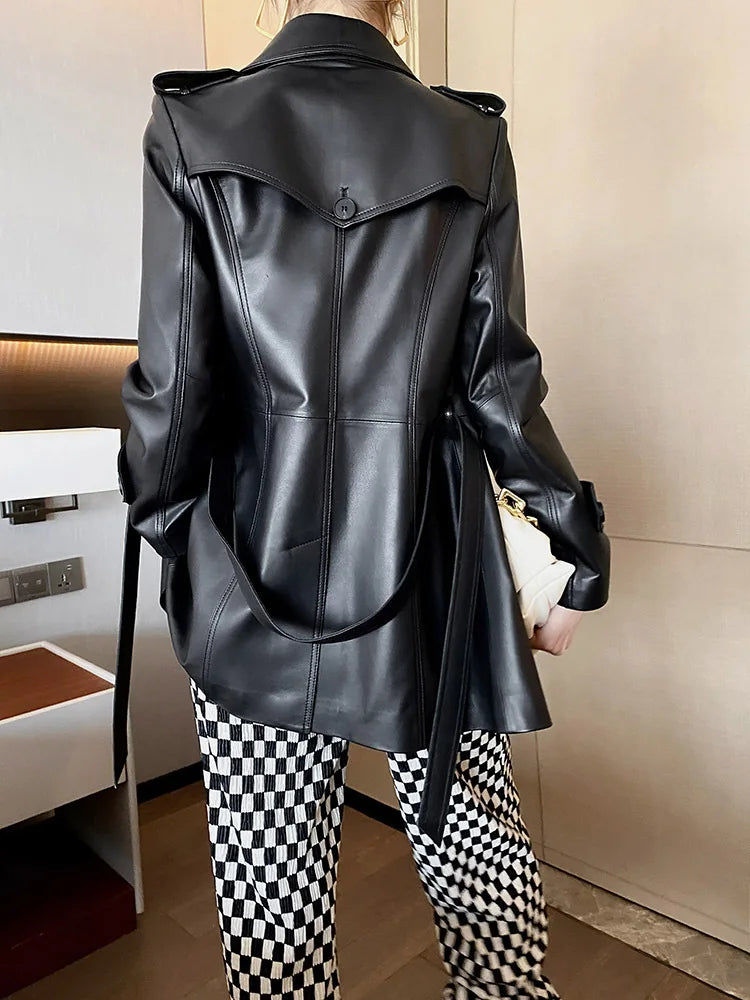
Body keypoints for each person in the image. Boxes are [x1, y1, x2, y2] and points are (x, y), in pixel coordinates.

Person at [117, 1, 611, 997]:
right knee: (477, 855)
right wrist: (576, 550)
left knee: (274, 898)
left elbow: (172, 392)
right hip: (431, 562)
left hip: (250, 565)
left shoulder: (192, 126)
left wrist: (180, 543)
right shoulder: (470, 139)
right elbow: (498, 387)